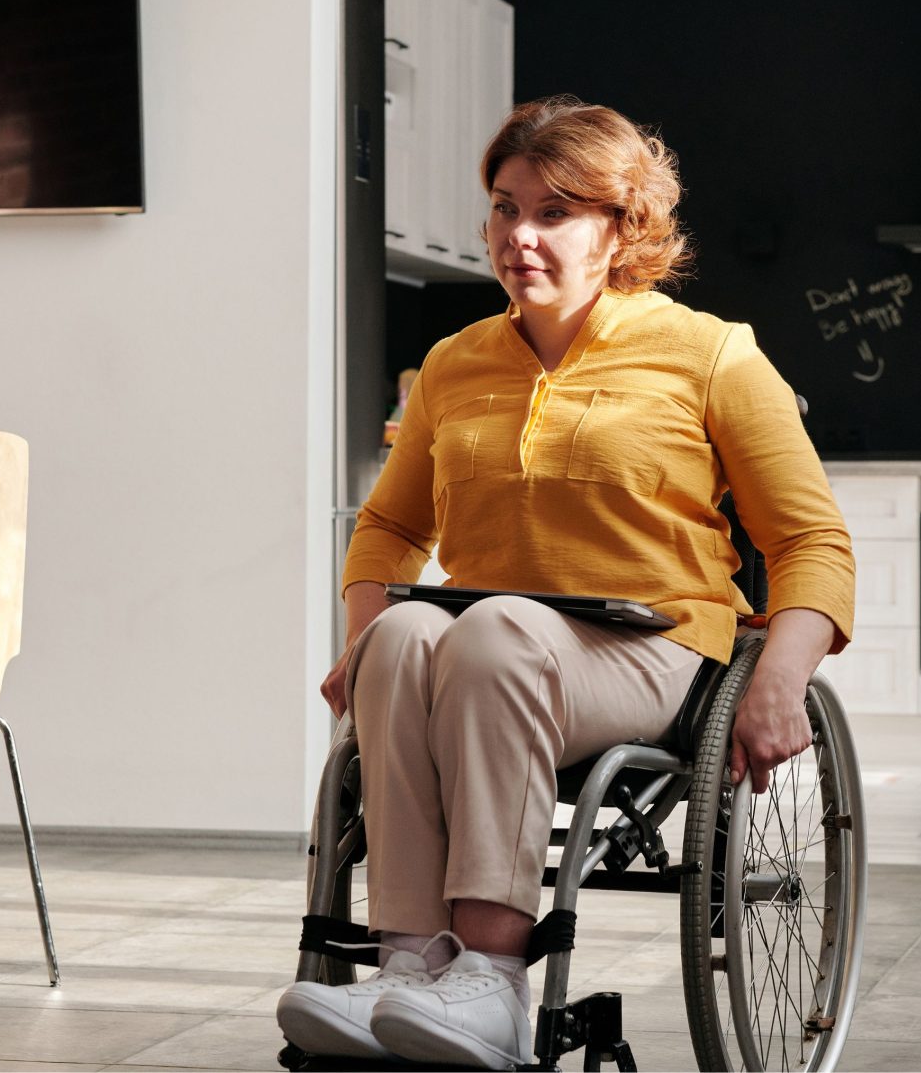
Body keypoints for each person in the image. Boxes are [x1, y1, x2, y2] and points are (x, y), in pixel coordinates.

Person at [276, 97, 855, 1070]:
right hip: (476, 651)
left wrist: (780, 675)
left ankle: (492, 981)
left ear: (622, 226)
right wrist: (360, 634)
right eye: (505, 208)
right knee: (406, 635)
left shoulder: (709, 352)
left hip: (649, 655)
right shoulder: (453, 365)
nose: (519, 235)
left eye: (553, 212)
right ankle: (410, 965)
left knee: (487, 630)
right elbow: (388, 524)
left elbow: (808, 538)